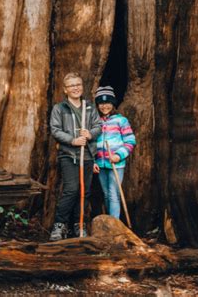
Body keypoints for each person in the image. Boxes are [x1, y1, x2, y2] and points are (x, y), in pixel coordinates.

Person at [49, 72, 101, 241]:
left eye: (78, 84)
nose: (75, 88)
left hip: (87, 156)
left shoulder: (89, 107)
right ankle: (59, 226)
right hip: (69, 155)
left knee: (84, 192)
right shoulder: (59, 109)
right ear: (65, 90)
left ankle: (79, 225)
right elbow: (55, 130)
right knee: (71, 190)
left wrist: (90, 134)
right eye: (71, 85)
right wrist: (73, 140)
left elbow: (98, 126)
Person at [93, 86, 136, 220]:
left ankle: (114, 224)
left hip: (116, 164)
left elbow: (130, 141)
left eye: (108, 102)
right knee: (106, 194)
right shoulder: (96, 122)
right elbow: (91, 144)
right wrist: (94, 161)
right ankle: (109, 222)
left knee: (113, 193)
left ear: (113, 104)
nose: (104, 106)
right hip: (101, 164)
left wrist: (119, 155)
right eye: (101, 103)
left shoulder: (121, 120)